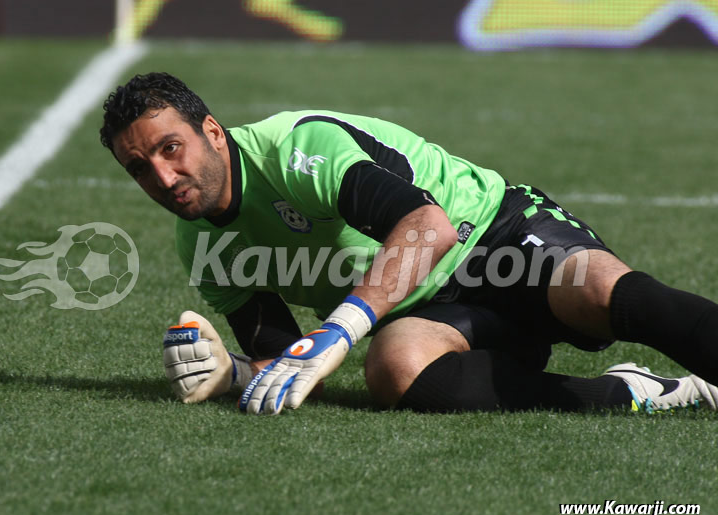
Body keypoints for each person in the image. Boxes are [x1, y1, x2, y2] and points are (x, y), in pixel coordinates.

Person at [100, 72, 718, 415]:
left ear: (210, 131)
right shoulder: (201, 245)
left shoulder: (296, 150)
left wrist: (341, 327)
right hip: (428, 311)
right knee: (393, 370)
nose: (162, 177)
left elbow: (430, 227)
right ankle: (641, 391)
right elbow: (291, 358)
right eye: (139, 168)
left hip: (492, 231)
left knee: (598, 292)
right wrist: (233, 374)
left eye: (169, 148)